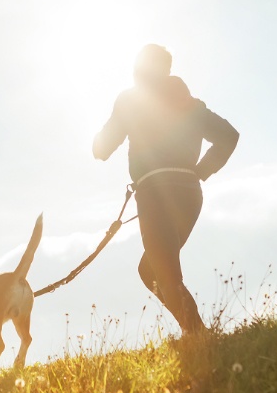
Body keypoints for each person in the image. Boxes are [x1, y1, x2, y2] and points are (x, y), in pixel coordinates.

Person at [92, 44, 239, 335]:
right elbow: (229, 136)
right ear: (167, 69)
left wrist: (100, 139)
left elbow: (102, 148)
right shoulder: (190, 104)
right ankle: (195, 332)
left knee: (164, 271)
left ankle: (199, 337)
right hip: (188, 192)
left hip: (156, 193)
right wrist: (201, 170)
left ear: (138, 68)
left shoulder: (131, 100)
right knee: (151, 270)